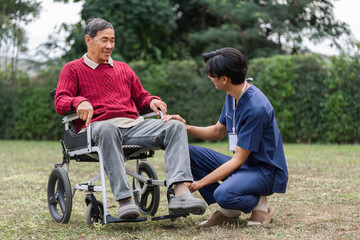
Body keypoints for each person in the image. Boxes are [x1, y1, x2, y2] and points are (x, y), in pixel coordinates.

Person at [54, 18, 206, 219]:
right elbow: (60, 101)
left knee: (175, 125)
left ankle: (180, 192)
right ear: (88, 40)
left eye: (112, 40)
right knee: (108, 128)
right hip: (97, 128)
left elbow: (142, 97)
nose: (109, 46)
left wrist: (152, 100)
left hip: (132, 127)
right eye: (104, 40)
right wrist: (78, 102)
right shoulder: (73, 69)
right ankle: (125, 200)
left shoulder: (124, 69)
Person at [163, 47, 288, 227]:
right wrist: (185, 127)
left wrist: (199, 184)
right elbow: (217, 131)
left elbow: (238, 160)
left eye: (211, 75)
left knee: (222, 194)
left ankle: (259, 203)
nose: (209, 78)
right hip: (243, 166)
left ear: (224, 79)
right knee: (186, 154)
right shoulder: (232, 95)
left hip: (263, 171)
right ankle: (230, 209)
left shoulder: (255, 108)